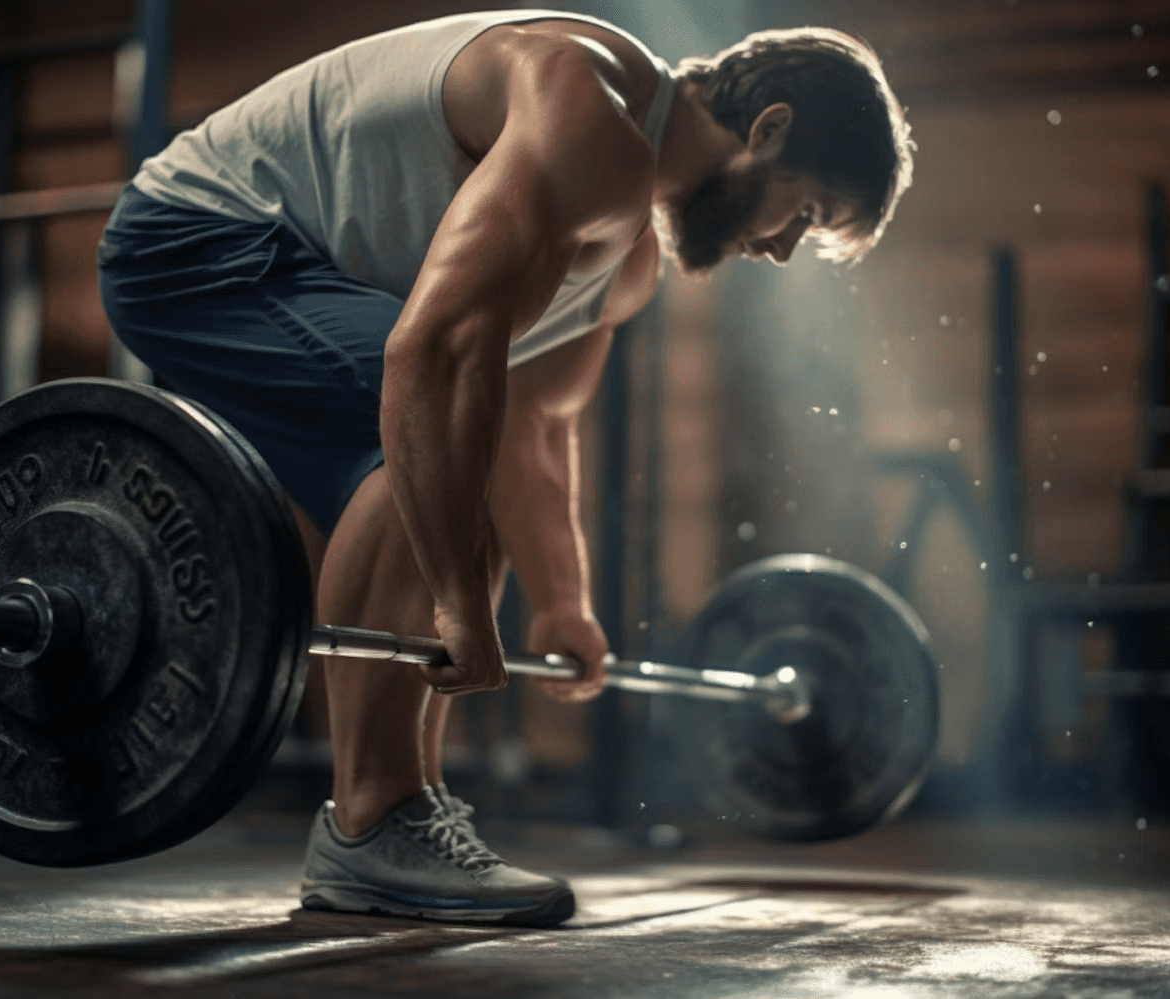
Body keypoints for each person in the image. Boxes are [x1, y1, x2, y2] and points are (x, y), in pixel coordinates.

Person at [97, 8, 913, 927]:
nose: (779, 247)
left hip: (290, 266)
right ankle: (369, 823)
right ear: (769, 129)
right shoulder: (588, 107)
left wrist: (563, 601)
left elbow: (530, 422)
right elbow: (433, 355)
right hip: (198, 232)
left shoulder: (627, 259)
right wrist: (456, 594)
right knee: (415, 436)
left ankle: (411, 804)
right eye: (803, 213)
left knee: (457, 452)